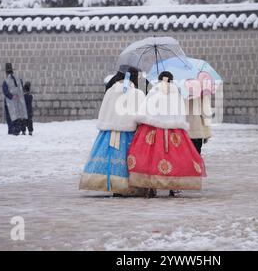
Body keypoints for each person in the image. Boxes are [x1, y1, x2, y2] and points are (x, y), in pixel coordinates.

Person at [127, 71, 206, 198]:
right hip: (173, 132)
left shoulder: (154, 92)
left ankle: (151, 186)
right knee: (174, 159)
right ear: (171, 80)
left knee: (151, 158)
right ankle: (173, 187)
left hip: (152, 130)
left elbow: (144, 109)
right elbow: (181, 112)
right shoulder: (176, 93)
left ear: (159, 80)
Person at [79, 67, 146, 196]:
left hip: (109, 132)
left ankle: (110, 184)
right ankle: (128, 186)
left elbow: (104, 110)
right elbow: (141, 114)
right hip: (129, 133)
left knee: (109, 159)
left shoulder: (110, 90)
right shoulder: (137, 93)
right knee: (126, 160)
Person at [2, 63, 28, 135]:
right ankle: (18, 129)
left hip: (9, 102)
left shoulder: (5, 81)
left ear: (6, 72)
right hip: (18, 101)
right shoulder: (19, 80)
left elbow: (5, 92)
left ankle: (12, 130)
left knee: (10, 117)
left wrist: (11, 96)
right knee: (18, 115)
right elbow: (21, 89)